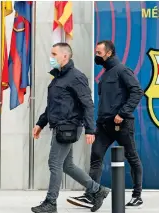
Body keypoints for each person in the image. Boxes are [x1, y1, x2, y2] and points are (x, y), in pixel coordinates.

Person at [31, 42, 110, 213]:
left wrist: (90, 130)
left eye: (54, 54)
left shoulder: (76, 77)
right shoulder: (58, 77)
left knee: (54, 163)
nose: (51, 58)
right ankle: (97, 190)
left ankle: (51, 203)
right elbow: (52, 106)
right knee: (67, 166)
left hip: (68, 127)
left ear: (65, 56)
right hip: (59, 126)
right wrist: (40, 123)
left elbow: (88, 104)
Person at [66, 40, 144, 208]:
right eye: (96, 52)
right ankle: (91, 194)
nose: (96, 55)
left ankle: (137, 196)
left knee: (132, 157)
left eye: (99, 53)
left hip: (121, 124)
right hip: (104, 125)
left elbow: (137, 91)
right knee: (96, 157)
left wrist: (123, 113)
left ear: (109, 53)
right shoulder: (106, 73)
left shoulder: (122, 70)